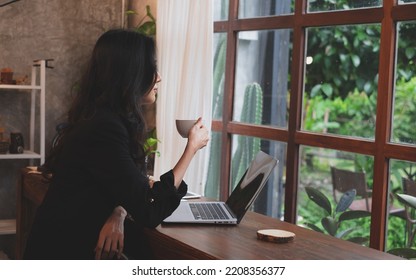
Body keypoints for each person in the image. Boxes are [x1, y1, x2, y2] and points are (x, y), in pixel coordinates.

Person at [23, 29, 209, 259]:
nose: (159, 76)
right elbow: (149, 211)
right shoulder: (105, 128)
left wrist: (118, 211)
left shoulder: (103, 118)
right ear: (130, 73)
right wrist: (191, 148)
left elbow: (122, 184)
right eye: (151, 67)